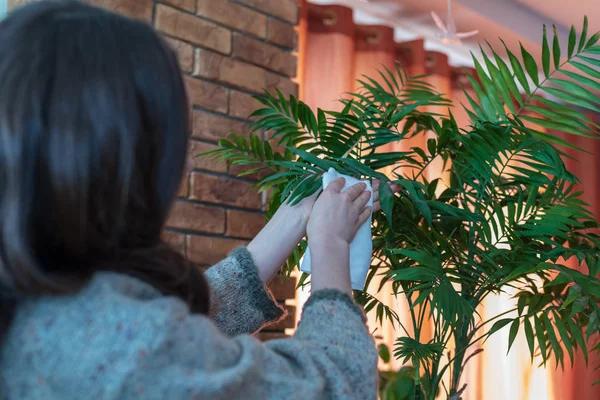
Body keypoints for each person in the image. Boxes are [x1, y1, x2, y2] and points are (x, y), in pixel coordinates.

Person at [0, 1, 401, 399]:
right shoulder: (119, 345)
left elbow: (189, 321)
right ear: (113, 157)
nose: (188, 163)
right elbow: (335, 386)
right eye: (175, 141)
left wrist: (298, 214)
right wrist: (331, 246)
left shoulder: (41, 299)